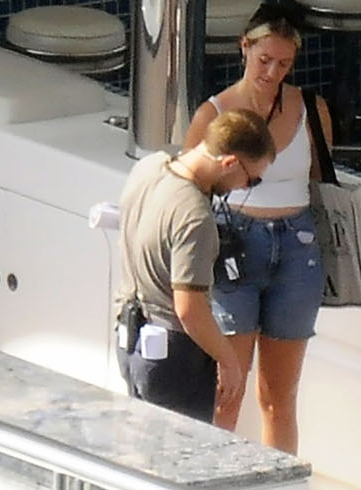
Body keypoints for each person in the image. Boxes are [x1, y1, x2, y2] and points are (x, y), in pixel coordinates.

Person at [182, 1, 334, 455]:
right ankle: (210, 482)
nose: (272, 73)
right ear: (244, 48)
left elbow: (321, 181)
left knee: (278, 396)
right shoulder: (213, 113)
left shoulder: (310, 108)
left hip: (297, 247)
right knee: (225, 388)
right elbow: (189, 184)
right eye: (265, 59)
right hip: (234, 242)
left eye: (284, 64)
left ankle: (277, 487)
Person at [114, 109, 276, 423]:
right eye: (251, 180)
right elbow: (189, 309)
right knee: (179, 450)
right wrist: (228, 361)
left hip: (130, 340)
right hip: (173, 358)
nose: (244, 187)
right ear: (230, 163)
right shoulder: (195, 216)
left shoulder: (149, 167)